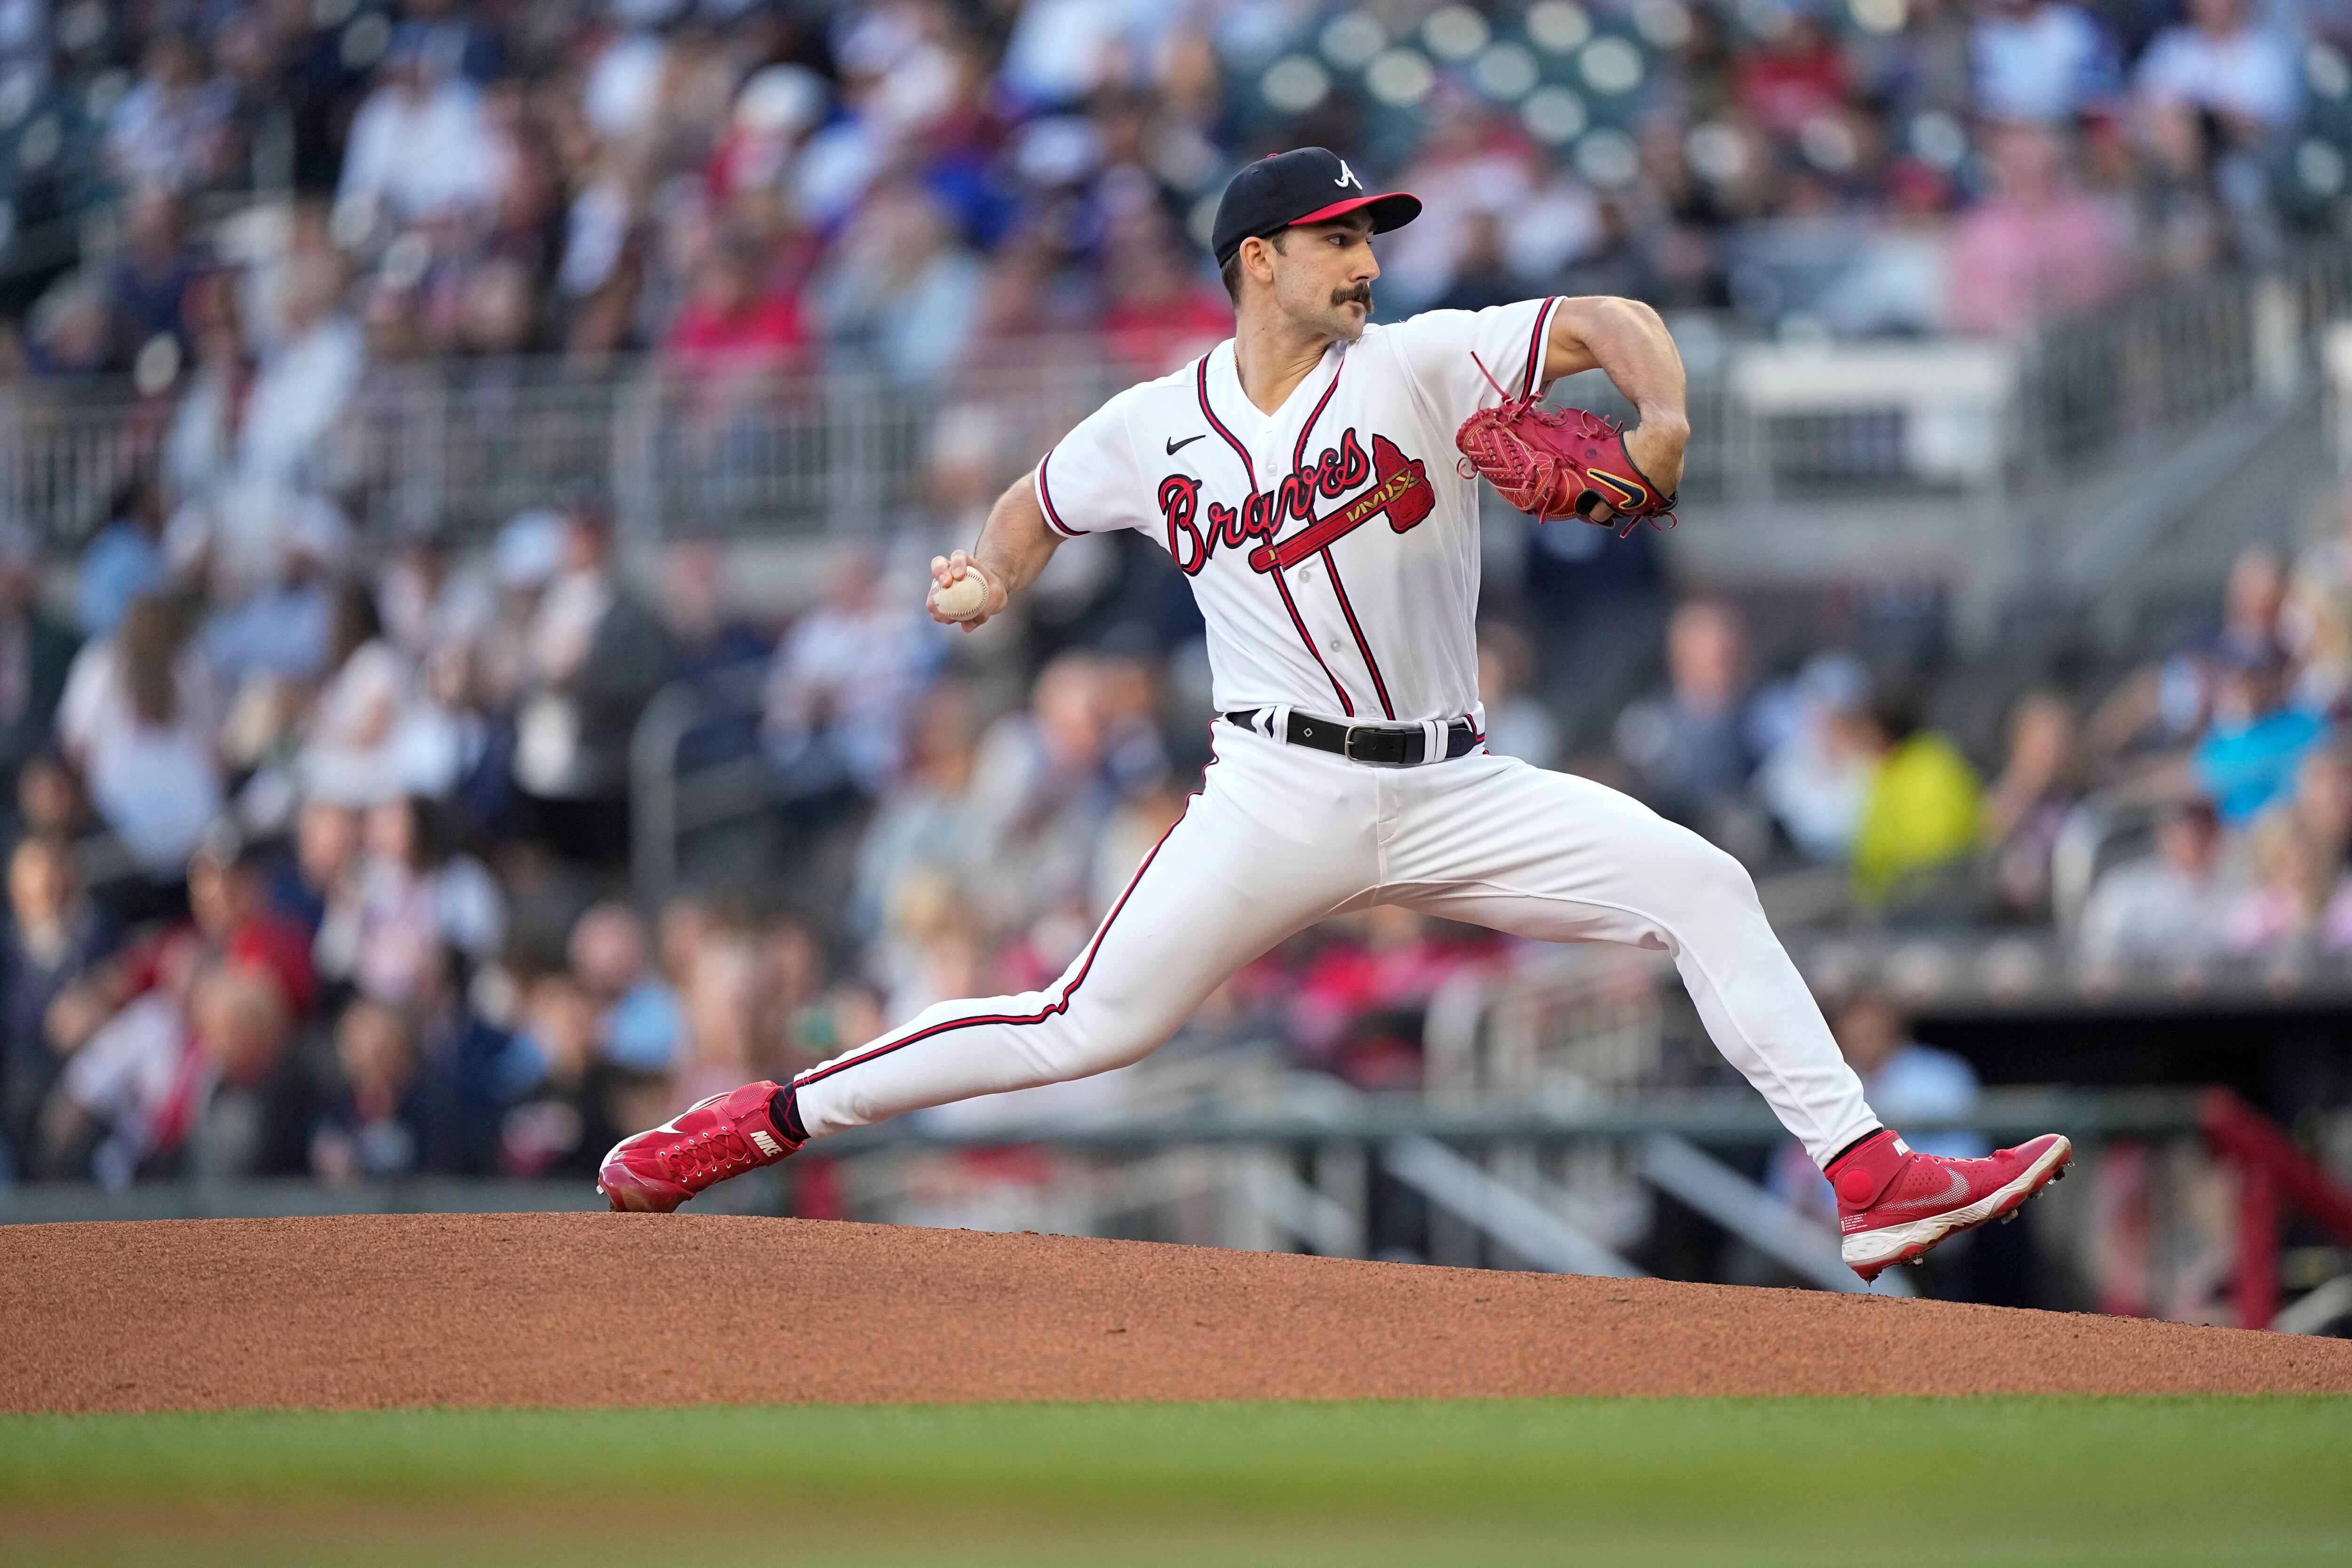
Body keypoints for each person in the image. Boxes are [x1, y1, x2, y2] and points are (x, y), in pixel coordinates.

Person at [597, 147, 2070, 1282]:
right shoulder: (1150, 425)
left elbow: (1612, 322)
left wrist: (1665, 416)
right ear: (1259, 261)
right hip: (1274, 800)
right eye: (1341, 238)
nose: (1368, 258)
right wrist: (989, 573)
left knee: (1704, 883)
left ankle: (1867, 1178)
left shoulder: (1422, 363)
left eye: (1371, 236)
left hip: (1457, 785)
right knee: (1076, 1028)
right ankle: (761, 1120)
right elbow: (1036, 505)